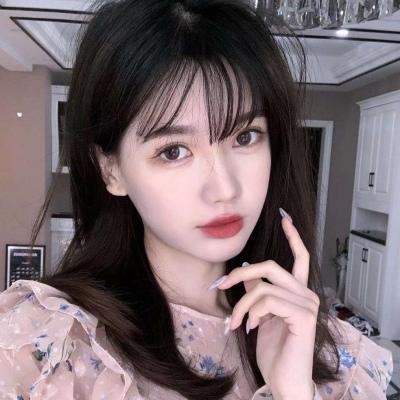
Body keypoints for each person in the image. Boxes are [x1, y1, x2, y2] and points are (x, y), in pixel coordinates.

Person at [0, 0, 393, 399]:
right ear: (111, 170)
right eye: (173, 151)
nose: (224, 189)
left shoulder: (332, 353)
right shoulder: (47, 348)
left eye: (245, 136)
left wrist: (294, 391)